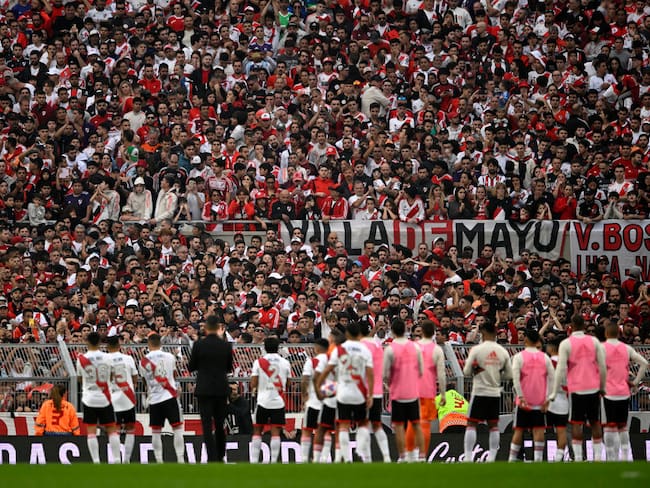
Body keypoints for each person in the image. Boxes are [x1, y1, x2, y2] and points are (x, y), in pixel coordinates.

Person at [550, 315, 607, 462]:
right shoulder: (594, 341)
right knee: (595, 422)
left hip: (576, 389)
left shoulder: (566, 344)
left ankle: (579, 457)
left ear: (571, 325)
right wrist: (602, 386)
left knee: (576, 423)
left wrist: (554, 392)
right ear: (584, 325)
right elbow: (602, 366)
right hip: (593, 388)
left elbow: (561, 369)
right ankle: (598, 457)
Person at [316, 322, 373, 463]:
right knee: (363, 425)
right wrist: (370, 394)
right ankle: (366, 457)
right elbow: (370, 374)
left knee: (343, 425)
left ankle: (346, 458)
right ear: (359, 334)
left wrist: (319, 385)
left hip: (343, 392)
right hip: (359, 392)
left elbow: (328, 370)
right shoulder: (365, 350)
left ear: (347, 334)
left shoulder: (339, 349)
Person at [462, 320, 512, 463]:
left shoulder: (477, 350)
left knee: (471, 424)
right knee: (493, 425)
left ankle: (468, 456)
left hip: (479, 392)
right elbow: (509, 375)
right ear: (496, 333)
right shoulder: (502, 351)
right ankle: (491, 457)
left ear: (482, 333)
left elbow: (466, 371)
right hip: (494, 393)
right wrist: (497, 374)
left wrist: (477, 371)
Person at [188, 315, 233, 463]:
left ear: (206, 328)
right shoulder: (226, 345)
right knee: (220, 424)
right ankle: (220, 456)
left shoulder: (199, 345)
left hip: (204, 388)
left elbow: (191, 366)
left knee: (207, 425)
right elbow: (228, 367)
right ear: (218, 328)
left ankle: (211, 457)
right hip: (221, 388)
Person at [602, 320, 648, 461]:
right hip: (623, 392)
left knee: (610, 425)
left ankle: (611, 456)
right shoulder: (626, 348)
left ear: (606, 333)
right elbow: (644, 363)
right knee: (622, 426)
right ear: (619, 333)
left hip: (608, 392)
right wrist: (635, 382)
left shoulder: (602, 347)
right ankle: (625, 456)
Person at [508, 329, 554, 462]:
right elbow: (552, 378)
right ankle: (538, 460)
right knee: (539, 430)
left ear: (527, 340)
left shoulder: (519, 357)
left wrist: (521, 396)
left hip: (524, 401)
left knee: (519, 430)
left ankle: (512, 458)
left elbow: (515, 379)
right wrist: (548, 398)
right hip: (540, 401)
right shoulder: (544, 357)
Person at [76, 331, 121, 464]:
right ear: (100, 342)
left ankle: (96, 461)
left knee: (91, 430)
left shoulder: (81, 359)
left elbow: (80, 379)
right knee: (111, 429)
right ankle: (117, 459)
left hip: (89, 398)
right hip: (105, 397)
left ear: (87, 342)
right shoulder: (108, 358)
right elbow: (113, 376)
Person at [139, 332, 185, 463]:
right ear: (160, 343)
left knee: (156, 431)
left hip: (154, 398)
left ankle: (159, 460)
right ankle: (180, 459)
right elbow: (175, 375)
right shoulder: (170, 357)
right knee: (177, 429)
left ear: (149, 344)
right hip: (170, 396)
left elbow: (144, 381)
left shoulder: (144, 360)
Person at [383, 318, 424, 462]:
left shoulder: (390, 349)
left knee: (399, 426)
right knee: (416, 424)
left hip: (398, 393)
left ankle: (403, 455)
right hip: (413, 392)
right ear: (406, 330)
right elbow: (420, 370)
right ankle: (421, 455)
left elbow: (385, 374)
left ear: (393, 331)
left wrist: (390, 384)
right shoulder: (415, 347)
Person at [406, 320, 446, 460]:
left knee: (412, 422)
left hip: (412, 390)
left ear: (421, 331)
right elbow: (441, 374)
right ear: (434, 333)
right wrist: (442, 394)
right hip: (428, 391)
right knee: (425, 424)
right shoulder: (437, 349)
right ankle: (422, 456)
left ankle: (408, 454)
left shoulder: (413, 346)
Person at [250, 336, 292, 463]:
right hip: (278, 402)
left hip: (263, 401)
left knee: (257, 431)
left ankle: (254, 461)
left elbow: (253, 383)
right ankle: (273, 461)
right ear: (278, 348)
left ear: (265, 348)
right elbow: (289, 383)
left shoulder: (259, 362)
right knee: (275, 432)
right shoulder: (285, 362)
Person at [361, 322, 392, 462]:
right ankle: (386, 455)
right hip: (377, 392)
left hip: (361, 392)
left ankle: (366, 457)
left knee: (362, 424)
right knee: (376, 423)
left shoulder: (359, 347)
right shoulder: (378, 347)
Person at [106, 335, 138, 463]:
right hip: (128, 398)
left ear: (107, 346)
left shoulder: (104, 360)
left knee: (114, 430)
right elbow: (135, 377)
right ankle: (127, 459)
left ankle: (116, 459)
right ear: (119, 345)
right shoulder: (128, 358)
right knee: (130, 429)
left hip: (112, 399)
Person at [299, 338, 328, 463]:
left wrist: (304, 395)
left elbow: (305, 379)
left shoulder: (312, 361)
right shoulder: (333, 362)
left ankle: (305, 459)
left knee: (307, 429)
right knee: (326, 431)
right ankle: (323, 458)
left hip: (313, 401)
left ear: (317, 348)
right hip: (328, 402)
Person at [545, 337, 570, 462]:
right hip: (563, 400)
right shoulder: (566, 363)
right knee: (561, 429)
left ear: (551, 348)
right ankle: (560, 456)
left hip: (548, 400)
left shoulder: (548, 362)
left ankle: (538, 455)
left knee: (540, 429)